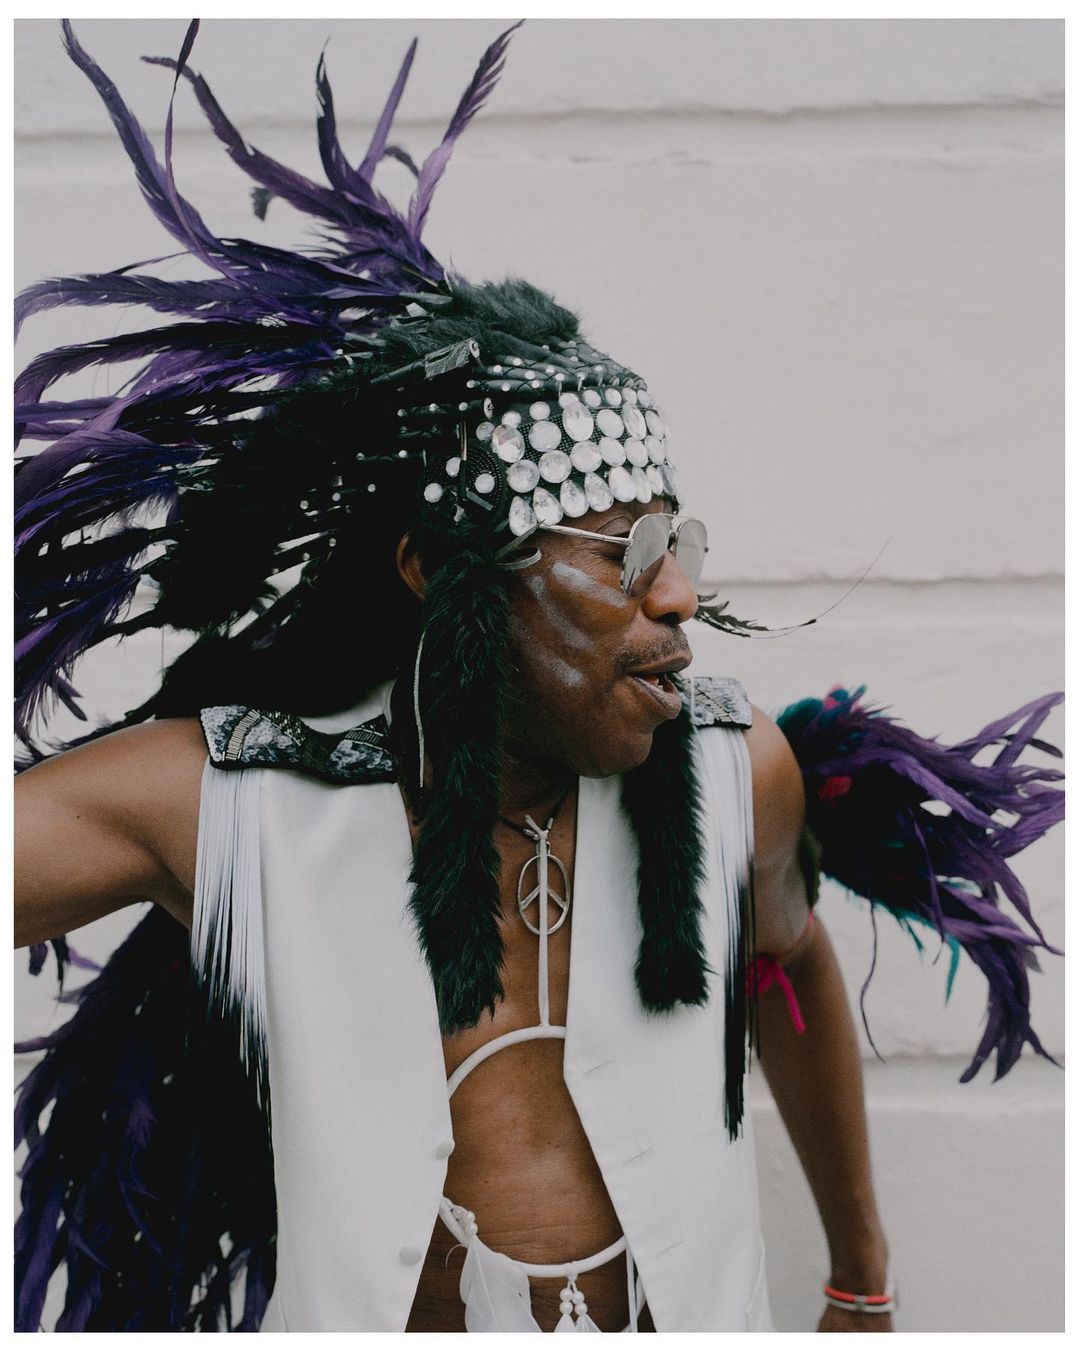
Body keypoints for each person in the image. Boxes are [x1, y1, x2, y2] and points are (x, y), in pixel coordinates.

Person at [14, 20, 1063, 1334]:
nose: (677, 595)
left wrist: (860, 1275)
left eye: (680, 546)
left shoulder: (737, 772)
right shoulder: (239, 800)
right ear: (440, 572)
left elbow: (787, 964)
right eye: (627, 555)